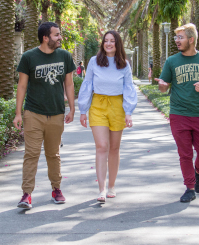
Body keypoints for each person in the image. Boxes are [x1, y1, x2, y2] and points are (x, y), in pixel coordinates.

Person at [154, 23, 199, 203]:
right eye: (176, 37)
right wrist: (162, 85)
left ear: (191, 40)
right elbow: (164, 86)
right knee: (185, 153)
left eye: (180, 37)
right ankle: (189, 188)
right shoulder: (172, 61)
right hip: (178, 115)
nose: (177, 40)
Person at [13, 22, 76, 210]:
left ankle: (56, 189)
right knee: (31, 154)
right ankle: (26, 194)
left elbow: (69, 85)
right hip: (33, 113)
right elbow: (22, 86)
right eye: (56, 35)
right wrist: (18, 113)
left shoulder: (64, 56)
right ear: (45, 38)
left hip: (56, 113)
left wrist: (72, 109)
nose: (60, 38)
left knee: (53, 154)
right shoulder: (29, 57)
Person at [78, 31, 137, 203]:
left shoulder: (124, 64)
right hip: (98, 105)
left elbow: (128, 88)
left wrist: (128, 112)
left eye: (112, 41)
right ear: (102, 43)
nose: (109, 44)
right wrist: (83, 110)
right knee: (102, 146)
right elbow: (87, 85)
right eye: (106, 41)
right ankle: (101, 189)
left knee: (114, 148)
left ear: (118, 44)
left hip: (117, 106)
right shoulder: (94, 62)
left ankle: (112, 185)